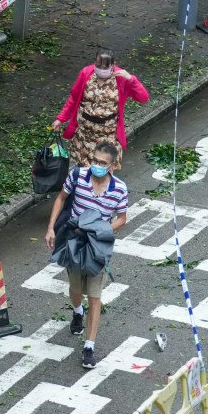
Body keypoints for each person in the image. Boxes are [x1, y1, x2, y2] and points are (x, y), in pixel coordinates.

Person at [43, 140, 130, 369]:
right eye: (95, 160)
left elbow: (121, 218)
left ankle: (89, 346)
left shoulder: (119, 189)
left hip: (97, 247)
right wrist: (51, 227)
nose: (97, 165)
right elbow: (61, 198)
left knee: (94, 295)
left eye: (103, 163)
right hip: (73, 240)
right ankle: (76, 311)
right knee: (75, 289)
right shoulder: (77, 176)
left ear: (112, 166)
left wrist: (102, 230)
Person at [54, 50, 149, 161]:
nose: (101, 69)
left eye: (105, 67)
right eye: (99, 65)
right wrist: (61, 119)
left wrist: (132, 79)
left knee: (103, 167)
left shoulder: (121, 78)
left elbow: (143, 98)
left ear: (112, 65)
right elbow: (74, 98)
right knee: (83, 167)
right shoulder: (86, 73)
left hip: (107, 132)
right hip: (84, 132)